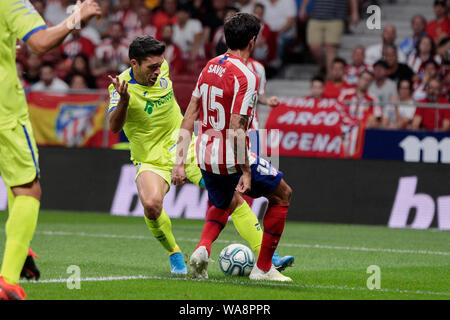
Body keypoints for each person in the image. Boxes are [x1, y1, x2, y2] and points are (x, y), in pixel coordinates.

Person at [107, 35, 294, 277]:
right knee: (152, 206)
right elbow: (113, 126)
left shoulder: (163, 67)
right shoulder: (119, 87)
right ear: (134, 64)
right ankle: (174, 253)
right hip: (150, 157)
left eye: (159, 65)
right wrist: (123, 102)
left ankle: (267, 255)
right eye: (151, 67)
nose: (157, 70)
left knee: (232, 196)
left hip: (186, 146)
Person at [172, 13, 293, 282]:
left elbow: (189, 114)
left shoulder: (209, 67)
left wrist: (179, 161)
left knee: (224, 200)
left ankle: (202, 251)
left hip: (203, 155)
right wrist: (246, 171)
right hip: (229, 157)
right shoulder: (247, 76)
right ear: (253, 41)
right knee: (282, 194)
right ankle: (263, 269)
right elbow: (238, 128)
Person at [0, 0, 101, 300]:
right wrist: (76, 18)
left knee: (13, 177)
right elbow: (41, 43)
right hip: (5, 111)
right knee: (27, 189)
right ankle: (7, 279)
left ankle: (21, 246)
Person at [300, 0, 359, 75]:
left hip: (336, 18)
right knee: (314, 46)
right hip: (316, 16)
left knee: (331, 48)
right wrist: (303, 8)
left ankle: (330, 77)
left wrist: (355, 12)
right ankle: (323, 66)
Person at [369, 59, 398, 125]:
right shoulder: (370, 85)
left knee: (388, 109)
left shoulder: (392, 85)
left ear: (387, 71)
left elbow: (394, 103)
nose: (378, 71)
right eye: (376, 69)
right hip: (373, 113)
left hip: (387, 114)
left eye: (380, 69)